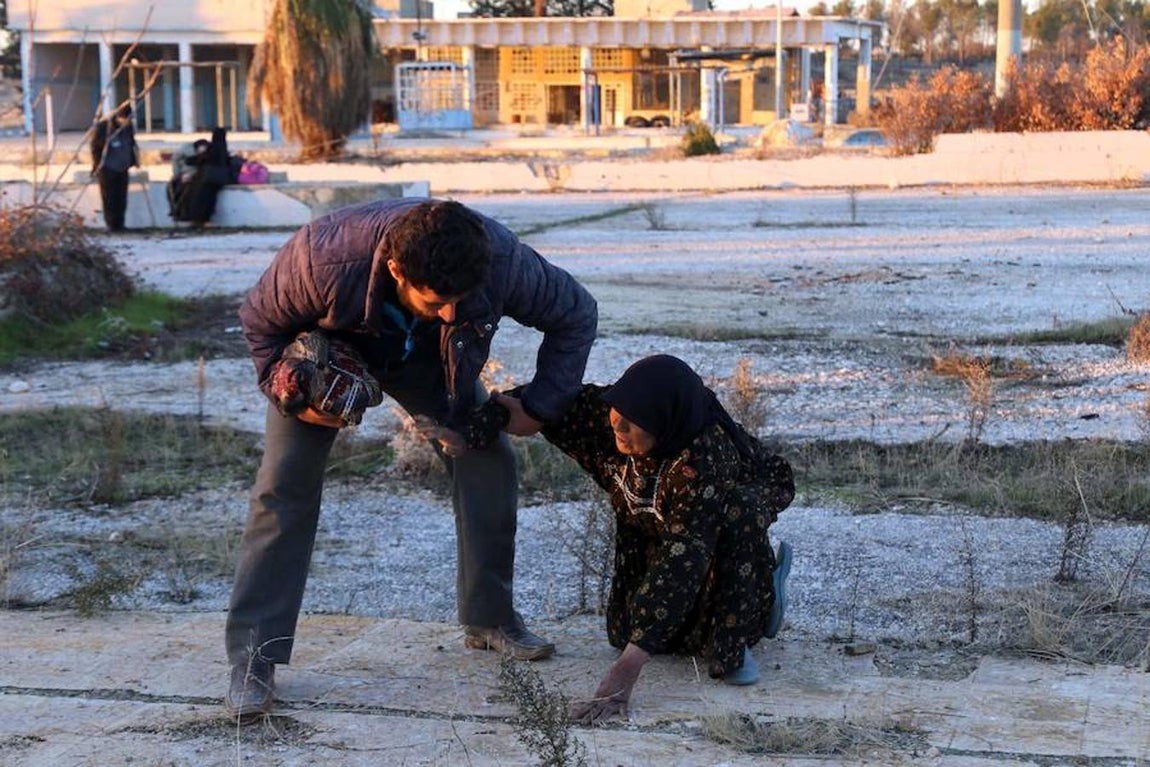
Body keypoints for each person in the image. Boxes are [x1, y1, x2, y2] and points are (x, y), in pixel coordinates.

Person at [224, 198, 598, 718]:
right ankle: (253, 658)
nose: (451, 310)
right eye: (438, 298)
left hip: (432, 359)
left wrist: (539, 405)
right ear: (397, 269)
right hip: (331, 352)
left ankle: (490, 619)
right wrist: (290, 393)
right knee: (282, 484)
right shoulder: (319, 259)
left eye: (461, 299)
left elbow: (577, 312)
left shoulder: (501, 260)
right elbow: (259, 325)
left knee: (489, 460)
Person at [497, 354, 795, 724]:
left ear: (664, 422)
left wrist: (628, 670)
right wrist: (486, 415)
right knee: (631, 633)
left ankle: (760, 599)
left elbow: (683, 555)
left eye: (632, 423)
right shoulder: (613, 411)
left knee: (736, 520)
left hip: (731, 509)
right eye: (616, 416)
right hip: (660, 516)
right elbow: (546, 402)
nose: (618, 427)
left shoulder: (704, 457)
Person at [89, 104, 139, 232]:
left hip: (123, 167)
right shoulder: (104, 127)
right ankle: (111, 225)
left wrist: (135, 160)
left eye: (128, 120)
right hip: (107, 168)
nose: (126, 123)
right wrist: (97, 165)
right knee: (109, 197)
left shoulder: (128, 127)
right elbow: (95, 147)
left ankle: (120, 223)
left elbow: (132, 144)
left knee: (121, 197)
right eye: (124, 120)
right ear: (118, 117)